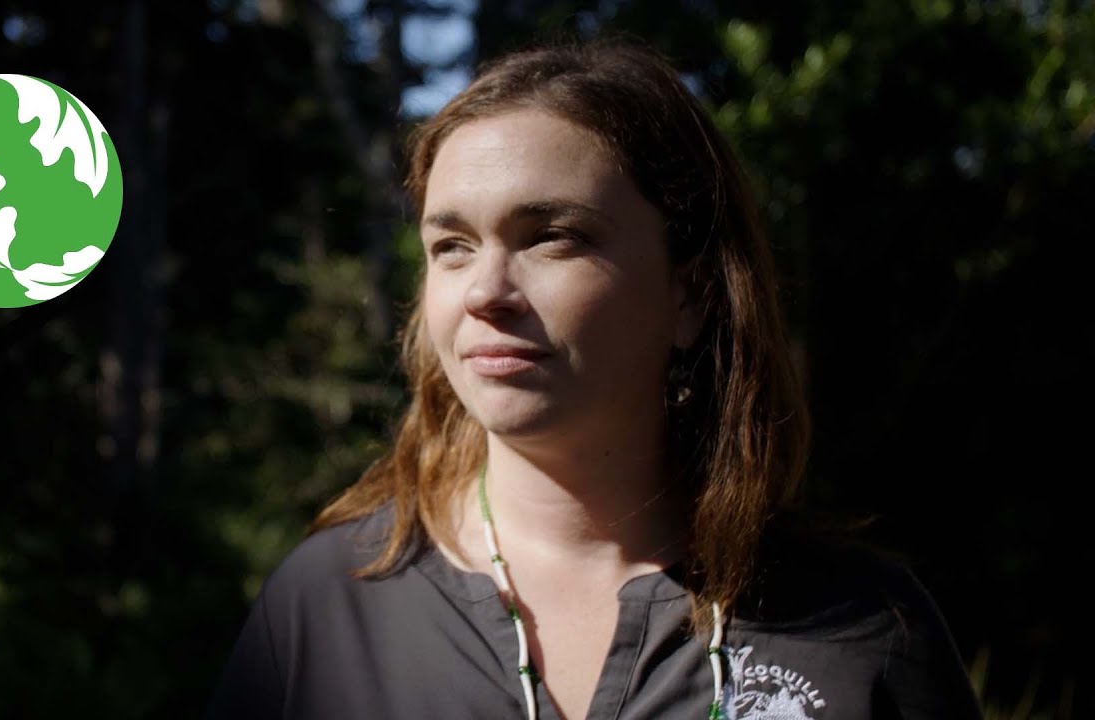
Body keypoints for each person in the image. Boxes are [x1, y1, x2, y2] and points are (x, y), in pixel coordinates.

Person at [205, 35, 984, 720]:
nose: (484, 292)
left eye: (552, 237)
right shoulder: (327, 608)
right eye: (452, 246)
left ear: (691, 293)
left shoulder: (860, 628)